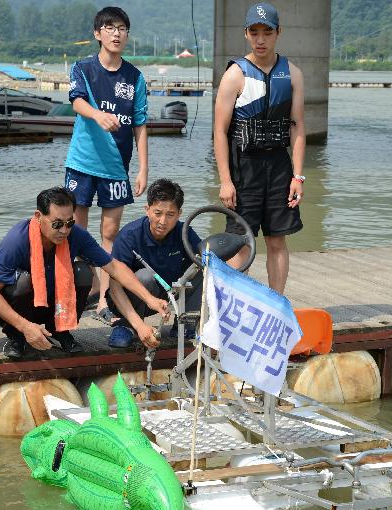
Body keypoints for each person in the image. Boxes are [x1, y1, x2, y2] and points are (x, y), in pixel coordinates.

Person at [0, 187, 168, 359]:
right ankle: (17, 336)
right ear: (38, 216)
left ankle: (60, 330)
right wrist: (25, 327)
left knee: (83, 272)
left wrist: (149, 299)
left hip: (52, 305)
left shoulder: (76, 234)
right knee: (23, 281)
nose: (64, 230)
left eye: (69, 222)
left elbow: (114, 267)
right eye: (57, 224)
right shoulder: (16, 241)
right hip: (21, 309)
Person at [213, 2, 306, 294]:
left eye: (267, 32)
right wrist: (226, 181)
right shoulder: (235, 75)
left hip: (279, 166)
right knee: (241, 241)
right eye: (255, 32)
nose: (261, 39)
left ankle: (276, 303)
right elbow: (219, 131)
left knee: (277, 240)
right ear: (246, 34)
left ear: (278, 32)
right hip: (245, 167)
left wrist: (298, 177)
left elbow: (298, 128)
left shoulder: (292, 74)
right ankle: (232, 308)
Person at [64, 6, 149, 323]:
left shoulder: (135, 77)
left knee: (110, 232)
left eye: (122, 28)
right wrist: (97, 115)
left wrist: (142, 169)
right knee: (75, 229)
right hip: (83, 163)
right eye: (110, 27)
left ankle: (104, 301)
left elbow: (140, 124)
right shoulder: (83, 68)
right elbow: (76, 100)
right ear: (97, 33)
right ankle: (75, 293)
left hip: (116, 167)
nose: (116, 33)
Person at [106, 179, 202, 348]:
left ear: (179, 213)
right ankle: (126, 324)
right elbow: (114, 287)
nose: (163, 221)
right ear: (147, 210)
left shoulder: (185, 233)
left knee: (202, 265)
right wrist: (138, 324)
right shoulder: (129, 236)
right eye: (158, 213)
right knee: (145, 277)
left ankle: (185, 323)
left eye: (170, 215)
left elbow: (208, 261)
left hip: (168, 295)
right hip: (132, 299)